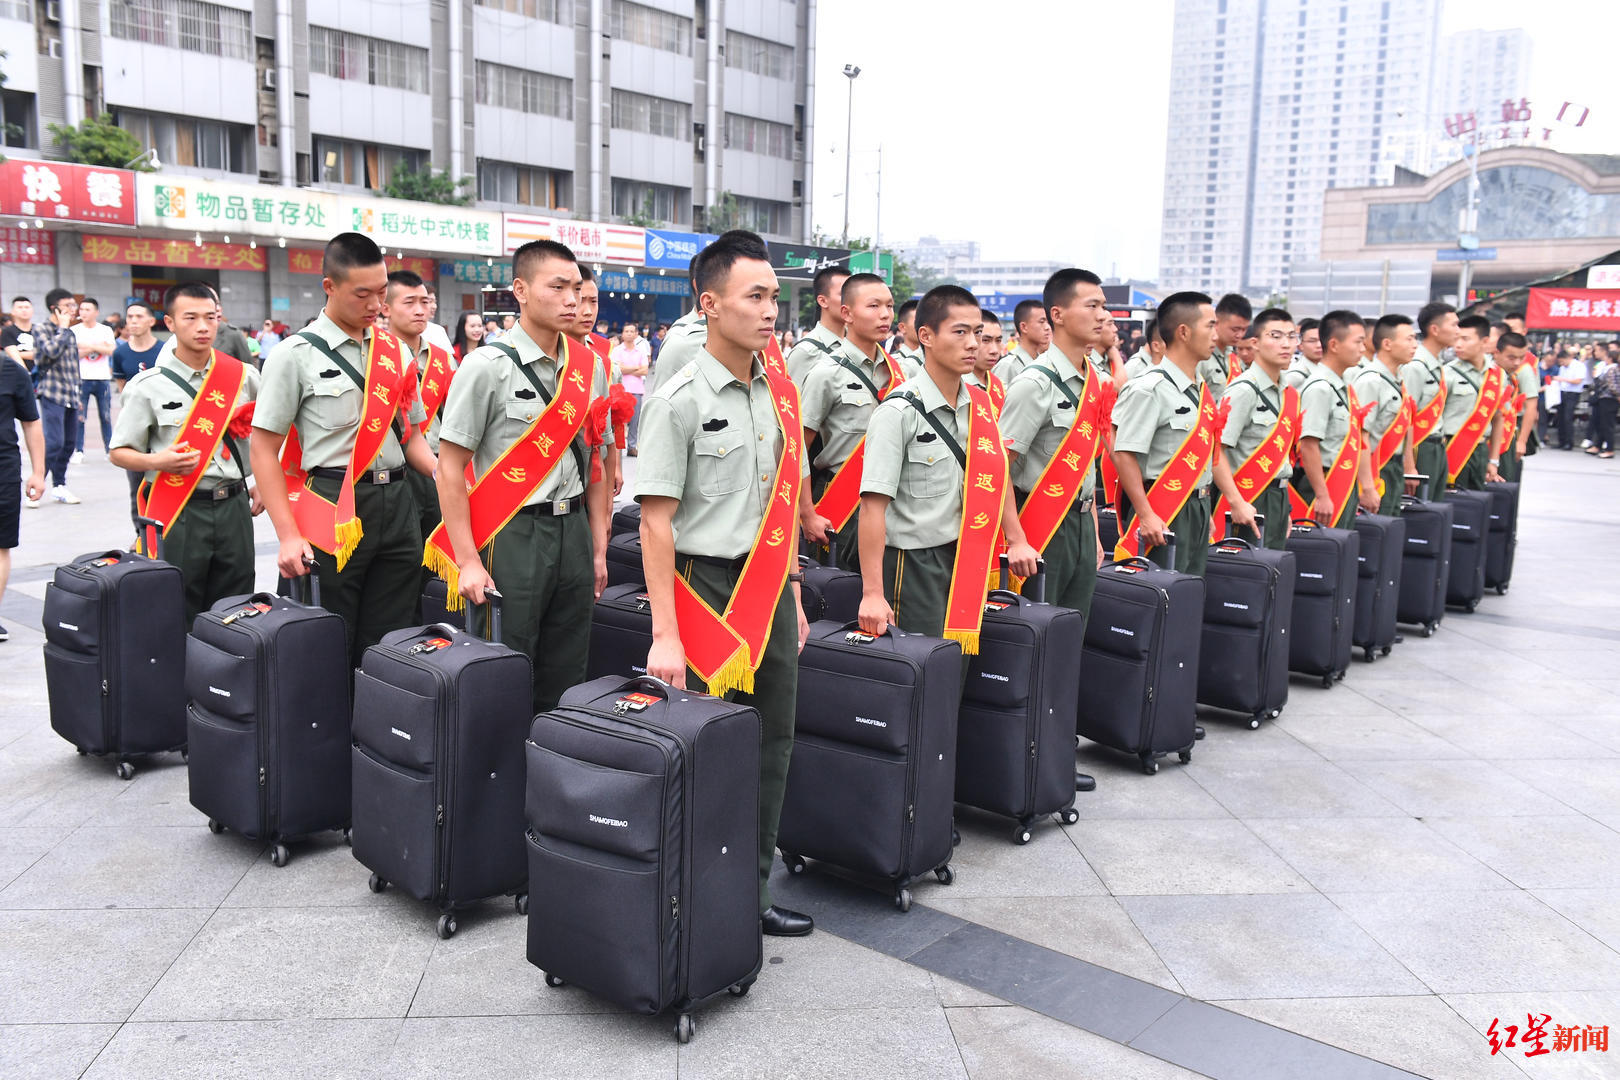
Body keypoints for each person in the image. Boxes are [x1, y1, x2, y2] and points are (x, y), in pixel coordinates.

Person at [635, 229, 816, 939]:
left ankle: (751, 891)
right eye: (754, 296)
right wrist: (665, 634)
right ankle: (687, 900)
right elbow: (655, 523)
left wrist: (793, 590)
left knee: (773, 742)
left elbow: (781, 506)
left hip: (769, 592)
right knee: (701, 747)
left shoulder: (781, 395)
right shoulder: (676, 399)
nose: (770, 311)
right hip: (703, 590)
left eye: (773, 297)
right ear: (709, 304)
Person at [432, 239, 610, 714]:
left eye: (577, 289)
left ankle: (554, 752)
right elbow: (449, 468)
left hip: (573, 530)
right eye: (558, 287)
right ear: (521, 290)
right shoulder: (486, 367)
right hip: (513, 533)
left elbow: (596, 459)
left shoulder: (589, 367)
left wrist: (597, 547)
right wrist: (467, 562)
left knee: (568, 666)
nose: (572, 300)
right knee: (505, 663)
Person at [251, 232, 434, 669]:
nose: (376, 305)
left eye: (382, 293)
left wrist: (445, 473)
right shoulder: (294, 355)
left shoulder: (394, 351)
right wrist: (288, 535)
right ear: (329, 287)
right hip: (333, 503)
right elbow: (263, 449)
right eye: (362, 294)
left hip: (398, 504)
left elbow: (411, 437)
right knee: (327, 635)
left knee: (390, 636)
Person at [857, 283, 1039, 649]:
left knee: (959, 663)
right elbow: (872, 507)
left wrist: (1017, 538)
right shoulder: (898, 412)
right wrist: (872, 593)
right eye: (960, 332)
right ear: (926, 336)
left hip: (969, 555)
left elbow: (996, 476)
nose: (973, 344)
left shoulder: (981, 405)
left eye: (977, 333)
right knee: (922, 664)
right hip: (914, 565)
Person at [108, 282, 260, 624]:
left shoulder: (244, 377)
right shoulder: (147, 386)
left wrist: (263, 483)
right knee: (177, 604)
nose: (203, 326)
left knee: (236, 605)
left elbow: (269, 434)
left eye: (210, 317)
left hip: (234, 506)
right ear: (170, 322)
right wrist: (157, 461)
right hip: (180, 509)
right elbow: (118, 452)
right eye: (190, 318)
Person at [1111, 292, 1256, 576]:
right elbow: (1125, 454)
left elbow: (1209, 453)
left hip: (1198, 507)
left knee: (1190, 592)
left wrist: (1205, 510)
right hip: (1162, 509)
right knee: (1160, 592)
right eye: (1210, 326)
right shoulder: (1149, 388)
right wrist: (1145, 515)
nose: (1216, 335)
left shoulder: (1200, 389)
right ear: (1184, 332)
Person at [999, 268, 1113, 614]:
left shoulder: (1096, 381)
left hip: (1082, 524)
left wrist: (1093, 533)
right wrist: (1016, 540)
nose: (1102, 315)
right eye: (1092, 306)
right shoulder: (1034, 383)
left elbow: (1086, 465)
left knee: (1074, 628)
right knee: (1038, 627)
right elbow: (999, 467)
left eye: (1103, 306)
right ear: (1058, 314)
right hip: (1041, 525)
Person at [799, 272, 904, 572]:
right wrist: (807, 513)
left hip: (890, 501)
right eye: (873, 306)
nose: (885, 314)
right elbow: (798, 449)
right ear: (846, 313)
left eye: (889, 306)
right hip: (842, 504)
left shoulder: (899, 372)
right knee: (843, 589)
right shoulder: (826, 373)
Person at [382, 270, 456, 541]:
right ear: (386, 308)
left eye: (425, 302)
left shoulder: (442, 360)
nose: (420, 310)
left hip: (436, 464)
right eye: (409, 302)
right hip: (394, 470)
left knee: (438, 545)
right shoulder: (377, 358)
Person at [1220, 308, 1301, 547]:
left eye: (1291, 336)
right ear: (1255, 343)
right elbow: (1216, 451)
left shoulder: (1287, 392)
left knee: (1274, 566)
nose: (1286, 344)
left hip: (1278, 496)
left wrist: (1284, 508)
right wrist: (1236, 502)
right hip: (1248, 497)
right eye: (1276, 336)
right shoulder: (1243, 390)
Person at [1296, 310, 1380, 529]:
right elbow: (1309, 444)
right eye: (1358, 342)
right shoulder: (1320, 388)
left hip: (1345, 481)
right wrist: (1322, 495)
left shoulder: (1343, 386)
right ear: (1334, 345)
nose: (1363, 348)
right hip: (1325, 482)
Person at [0, 343, 46, 640]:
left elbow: (31, 423)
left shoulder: (11, 370)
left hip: (2, 470)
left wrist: (39, 472)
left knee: (0, 545)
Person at [1351, 314, 1416, 516]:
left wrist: (1409, 466)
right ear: (1387, 344)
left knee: (1392, 525)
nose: (1415, 345)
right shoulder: (1370, 381)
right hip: (1375, 468)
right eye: (1409, 339)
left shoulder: (1398, 379)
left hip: (1393, 466)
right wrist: (1367, 486)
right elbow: (1361, 435)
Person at [112, 301, 168, 530]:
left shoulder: (165, 351)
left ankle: (165, 530)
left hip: (163, 424)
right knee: (136, 485)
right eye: (130, 317)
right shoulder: (120, 353)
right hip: (135, 428)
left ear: (151, 321)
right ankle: (140, 534)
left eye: (139, 316)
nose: (133, 321)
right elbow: (123, 389)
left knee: (164, 481)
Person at [30, 289, 83, 507]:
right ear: (55, 309)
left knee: (69, 444)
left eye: (73, 305)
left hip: (71, 393)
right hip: (52, 392)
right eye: (68, 306)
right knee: (54, 442)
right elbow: (50, 351)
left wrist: (79, 394)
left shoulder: (70, 333)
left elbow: (74, 365)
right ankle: (36, 484)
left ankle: (59, 486)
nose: (73, 310)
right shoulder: (41, 329)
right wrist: (62, 328)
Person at [1402, 302, 1457, 500]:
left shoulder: (1436, 363)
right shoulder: (1416, 366)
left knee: (1436, 505)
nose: (1458, 331)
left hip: (1437, 446)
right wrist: (1409, 465)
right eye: (1453, 325)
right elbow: (1406, 416)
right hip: (1421, 447)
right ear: (1434, 329)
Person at [783, 264, 850, 384]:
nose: (853, 300)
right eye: (844, 294)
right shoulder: (805, 352)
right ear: (823, 301)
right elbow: (795, 395)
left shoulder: (858, 344)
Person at [71, 298, 117, 462]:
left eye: (87, 309)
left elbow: (112, 350)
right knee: (80, 417)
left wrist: (87, 346)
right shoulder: (74, 331)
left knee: (105, 416)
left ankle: (109, 450)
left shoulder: (105, 330)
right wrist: (98, 347)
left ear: (96, 312)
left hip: (102, 379)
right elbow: (72, 355)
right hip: (81, 379)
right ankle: (78, 451)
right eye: (81, 309)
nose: (83, 312)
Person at [1494, 332, 1537, 479]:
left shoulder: (1523, 371)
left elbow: (1531, 407)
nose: (1517, 362)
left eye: (1521, 357)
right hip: (1483, 436)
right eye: (1511, 358)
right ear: (1497, 353)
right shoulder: (1488, 371)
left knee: (1504, 479)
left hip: (1507, 434)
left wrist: (1522, 441)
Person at [1197, 293, 1252, 401]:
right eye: (1235, 329)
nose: (1240, 335)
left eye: (1244, 329)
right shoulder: (1200, 357)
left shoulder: (1234, 358)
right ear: (1216, 323)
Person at [610, 322, 650, 456]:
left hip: (637, 390)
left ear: (636, 334)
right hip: (620, 390)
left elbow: (645, 371)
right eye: (626, 331)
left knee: (635, 420)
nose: (629, 334)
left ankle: (632, 447)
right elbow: (617, 369)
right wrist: (636, 368)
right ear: (622, 334)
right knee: (619, 421)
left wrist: (626, 368)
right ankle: (618, 448)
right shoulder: (617, 350)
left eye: (632, 331)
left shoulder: (641, 350)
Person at [992, 299, 1050, 386]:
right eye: (1042, 322)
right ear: (1024, 327)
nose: (1047, 327)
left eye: (1048, 322)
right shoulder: (1007, 365)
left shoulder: (1042, 361)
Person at [971, 308, 1007, 412]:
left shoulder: (999, 385)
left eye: (998, 341)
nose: (994, 350)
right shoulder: (957, 386)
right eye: (986, 340)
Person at [1553, 347, 1587, 451]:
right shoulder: (1562, 368)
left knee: (1568, 417)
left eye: (1562, 361)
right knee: (1560, 417)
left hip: (1573, 393)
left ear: (1568, 358)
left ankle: (1569, 442)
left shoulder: (1579, 366)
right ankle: (1561, 441)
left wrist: (1563, 379)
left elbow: (1578, 381)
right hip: (1562, 392)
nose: (1561, 364)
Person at [1587, 343, 1617, 457]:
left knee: (1607, 424)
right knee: (1602, 423)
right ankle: (1598, 445)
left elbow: (1612, 385)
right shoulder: (1607, 368)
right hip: (1604, 398)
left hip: (1609, 398)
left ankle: (1609, 449)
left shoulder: (1612, 369)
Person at [1, 296, 38, 373]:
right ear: (13, 311)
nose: (24, 310)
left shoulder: (40, 329)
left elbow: (45, 354)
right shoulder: (7, 331)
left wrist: (18, 354)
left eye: (27, 307)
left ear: (32, 310)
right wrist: (27, 375)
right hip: (18, 374)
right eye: (20, 307)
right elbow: (14, 356)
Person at [1284, 316, 1322, 390]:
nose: (1319, 345)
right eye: (1312, 341)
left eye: (1322, 340)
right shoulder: (1295, 376)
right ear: (1300, 345)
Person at [891, 297, 924, 370]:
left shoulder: (932, 359)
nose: (924, 326)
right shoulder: (894, 363)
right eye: (918, 322)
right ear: (902, 328)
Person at [421, 284, 453, 354]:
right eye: (430, 301)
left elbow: (448, 357)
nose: (434, 306)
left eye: (435, 302)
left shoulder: (438, 331)